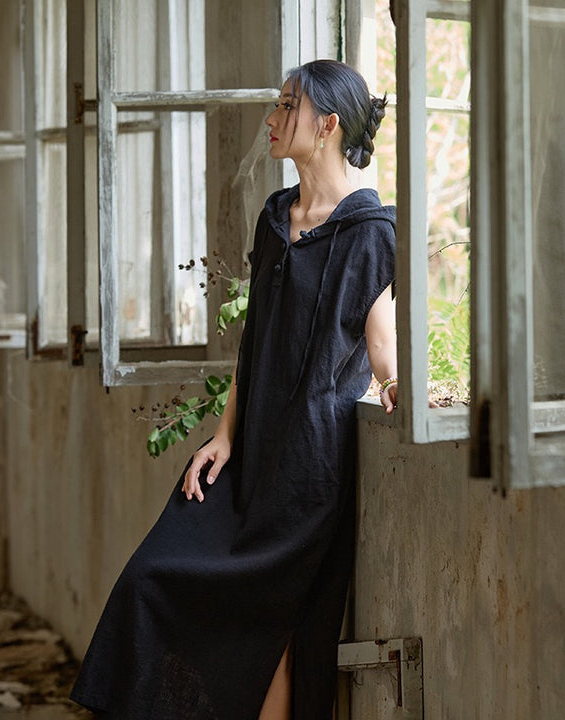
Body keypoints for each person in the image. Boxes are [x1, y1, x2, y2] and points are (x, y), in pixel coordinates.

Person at [70, 59, 397, 719]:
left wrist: (394, 383)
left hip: (310, 470)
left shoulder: (372, 232)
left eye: (287, 107)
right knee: (150, 577)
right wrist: (223, 435)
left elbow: (380, 337)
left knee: (277, 625)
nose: (271, 119)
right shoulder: (276, 219)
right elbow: (255, 341)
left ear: (328, 125)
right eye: (278, 104)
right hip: (249, 456)